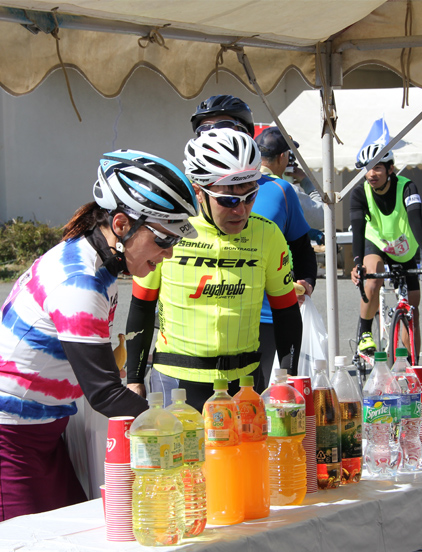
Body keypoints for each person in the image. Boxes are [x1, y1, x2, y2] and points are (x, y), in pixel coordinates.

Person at [0, 150, 199, 533]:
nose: (168, 253)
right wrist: (178, 432)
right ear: (120, 223)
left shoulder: (97, 263)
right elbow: (104, 394)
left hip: (39, 427)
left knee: (76, 545)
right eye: (164, 239)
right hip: (1, 433)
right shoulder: (79, 281)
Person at [125, 129, 303, 411]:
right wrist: (134, 378)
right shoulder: (168, 230)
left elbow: (287, 311)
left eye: (250, 196)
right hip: (177, 381)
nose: (241, 210)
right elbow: (141, 306)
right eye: (228, 200)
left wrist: (290, 378)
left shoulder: (267, 235)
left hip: (245, 383)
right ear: (198, 191)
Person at [189, 97, 315, 389]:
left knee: (248, 407)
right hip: (194, 323)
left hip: (264, 318)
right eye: (204, 129)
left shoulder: (280, 190)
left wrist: (305, 283)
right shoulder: (189, 188)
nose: (213, 135)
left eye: (224, 127)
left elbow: (302, 251)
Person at [350, 143, 422, 362]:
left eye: (378, 168)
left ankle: (413, 365)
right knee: (372, 278)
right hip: (376, 243)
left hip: (405, 248)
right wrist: (356, 263)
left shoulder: (408, 188)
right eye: (367, 168)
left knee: (413, 310)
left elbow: (416, 221)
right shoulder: (359, 193)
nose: (372, 174)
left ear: (391, 169)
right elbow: (359, 230)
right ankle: (365, 333)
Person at [252, 126, 318, 382]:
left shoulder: (216, 191)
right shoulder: (281, 189)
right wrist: (307, 281)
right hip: (272, 312)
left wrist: (305, 281)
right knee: (271, 395)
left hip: (249, 311)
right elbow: (303, 248)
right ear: (283, 158)